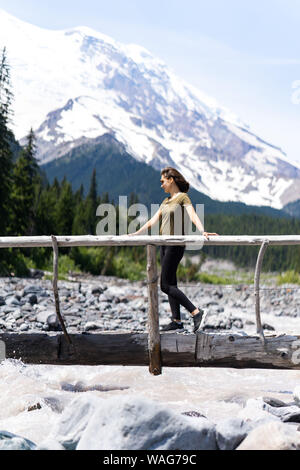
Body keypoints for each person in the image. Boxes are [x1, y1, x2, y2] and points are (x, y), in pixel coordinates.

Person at [129, 167, 219, 332]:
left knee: (164, 285)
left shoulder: (182, 198)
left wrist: (202, 231)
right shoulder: (165, 202)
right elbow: (153, 221)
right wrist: (136, 233)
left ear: (171, 180)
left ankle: (196, 312)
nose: (161, 185)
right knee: (171, 282)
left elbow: (192, 215)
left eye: (163, 181)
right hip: (164, 245)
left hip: (175, 244)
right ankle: (176, 321)